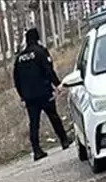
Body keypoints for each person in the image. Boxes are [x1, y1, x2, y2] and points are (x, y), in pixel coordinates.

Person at [13, 27, 71, 161]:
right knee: (53, 116)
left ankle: (37, 150)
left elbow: (16, 79)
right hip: (44, 92)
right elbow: (48, 70)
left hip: (29, 97)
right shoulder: (40, 52)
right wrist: (57, 84)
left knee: (34, 123)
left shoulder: (20, 58)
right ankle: (64, 140)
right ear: (37, 38)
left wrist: (22, 95)